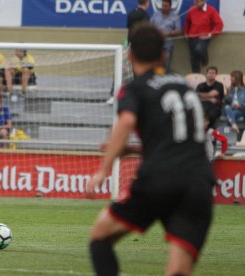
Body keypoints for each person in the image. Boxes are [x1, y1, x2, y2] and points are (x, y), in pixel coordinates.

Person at [86, 23, 214, 276]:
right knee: (179, 271)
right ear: (164, 54)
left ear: (130, 55)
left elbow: (126, 122)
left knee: (99, 237)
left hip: (160, 179)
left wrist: (103, 169)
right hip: (199, 181)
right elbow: (178, 139)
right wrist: (133, 150)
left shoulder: (136, 88)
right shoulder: (183, 84)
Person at [184, 0, 223, 73]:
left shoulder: (211, 10)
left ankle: (205, 60)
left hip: (203, 38)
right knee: (194, 60)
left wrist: (210, 34)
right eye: (194, 1)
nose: (195, 3)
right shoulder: (191, 9)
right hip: (192, 38)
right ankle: (196, 77)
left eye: (197, 1)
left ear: (203, 1)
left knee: (199, 49)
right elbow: (187, 22)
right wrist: (186, 32)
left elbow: (219, 24)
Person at [150, 0, 182, 72]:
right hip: (156, 45)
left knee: (166, 65)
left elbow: (179, 31)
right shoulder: (156, 15)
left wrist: (168, 34)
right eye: (162, 5)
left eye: (165, 6)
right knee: (156, 65)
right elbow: (149, 27)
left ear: (170, 6)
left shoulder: (175, 16)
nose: (163, 7)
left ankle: (165, 81)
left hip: (167, 45)